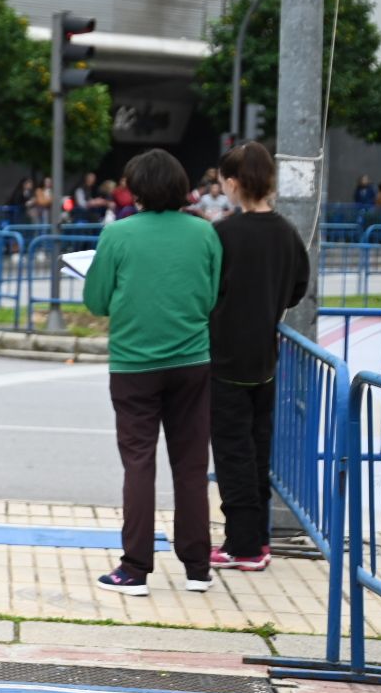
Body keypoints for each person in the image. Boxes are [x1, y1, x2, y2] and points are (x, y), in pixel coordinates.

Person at [82, 148, 221, 597]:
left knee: (139, 462)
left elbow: (97, 301)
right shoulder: (205, 233)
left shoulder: (118, 235)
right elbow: (213, 294)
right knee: (191, 463)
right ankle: (198, 567)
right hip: (192, 361)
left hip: (134, 364)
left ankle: (135, 568)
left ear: (136, 189)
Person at [208, 142, 308, 572]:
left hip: (226, 359)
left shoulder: (224, 233)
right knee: (257, 450)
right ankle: (258, 539)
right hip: (265, 361)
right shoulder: (287, 232)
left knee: (232, 453)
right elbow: (297, 289)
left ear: (232, 183)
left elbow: (207, 290)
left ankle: (243, 546)